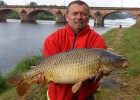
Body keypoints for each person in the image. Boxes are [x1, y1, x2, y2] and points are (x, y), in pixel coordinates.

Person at [37, 1, 107, 100]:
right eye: (74, 13)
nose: (79, 17)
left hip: (85, 96)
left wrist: (94, 78)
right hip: (57, 96)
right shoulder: (53, 39)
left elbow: (98, 75)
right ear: (66, 16)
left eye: (83, 14)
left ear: (88, 17)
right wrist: (44, 78)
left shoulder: (96, 40)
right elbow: (49, 68)